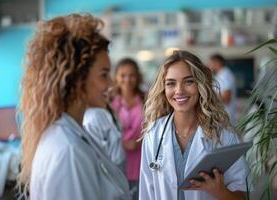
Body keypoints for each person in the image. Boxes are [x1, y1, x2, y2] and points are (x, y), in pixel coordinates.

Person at [18, 14, 131, 200]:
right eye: (104, 75)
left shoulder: (71, 134)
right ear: (77, 78)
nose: (111, 84)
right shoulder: (69, 150)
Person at [139, 50, 248, 200]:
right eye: (171, 83)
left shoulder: (223, 135)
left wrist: (220, 192)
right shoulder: (153, 134)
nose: (179, 90)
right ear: (164, 89)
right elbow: (146, 194)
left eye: (188, 81)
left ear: (200, 85)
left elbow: (243, 196)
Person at [111, 58, 144, 200]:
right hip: (118, 164)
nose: (127, 80)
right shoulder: (109, 101)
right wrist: (123, 143)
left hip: (141, 162)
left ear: (138, 77)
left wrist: (141, 141)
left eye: (132, 75)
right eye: (123, 75)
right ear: (116, 77)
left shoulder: (146, 99)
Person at [207, 54, 237, 125]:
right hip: (222, 116)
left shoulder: (225, 74)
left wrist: (208, 97)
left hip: (226, 117)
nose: (209, 65)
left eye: (210, 63)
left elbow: (226, 97)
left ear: (217, 62)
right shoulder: (221, 74)